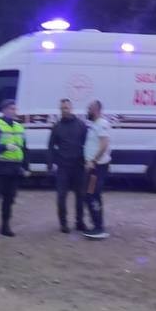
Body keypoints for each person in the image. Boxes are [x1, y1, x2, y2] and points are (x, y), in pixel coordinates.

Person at [0, 98, 29, 239]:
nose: (14, 111)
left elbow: (24, 149)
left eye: (15, 109)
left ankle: (5, 225)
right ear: (4, 110)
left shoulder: (19, 127)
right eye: (11, 109)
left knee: (9, 199)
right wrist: (4, 147)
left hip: (14, 169)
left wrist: (26, 166)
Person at [48, 98, 89, 233]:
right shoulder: (57, 127)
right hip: (63, 167)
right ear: (60, 110)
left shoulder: (81, 125)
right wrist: (50, 163)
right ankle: (63, 223)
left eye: (67, 108)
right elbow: (51, 146)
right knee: (61, 196)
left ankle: (79, 222)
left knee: (80, 195)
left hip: (78, 166)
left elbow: (87, 144)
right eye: (62, 108)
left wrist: (88, 160)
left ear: (71, 108)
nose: (65, 110)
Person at [82, 100, 111, 239]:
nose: (87, 110)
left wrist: (93, 161)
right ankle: (96, 225)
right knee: (91, 195)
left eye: (89, 108)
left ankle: (99, 228)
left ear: (96, 110)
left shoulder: (102, 124)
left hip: (97, 167)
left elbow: (104, 144)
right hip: (93, 167)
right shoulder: (94, 124)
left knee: (92, 195)